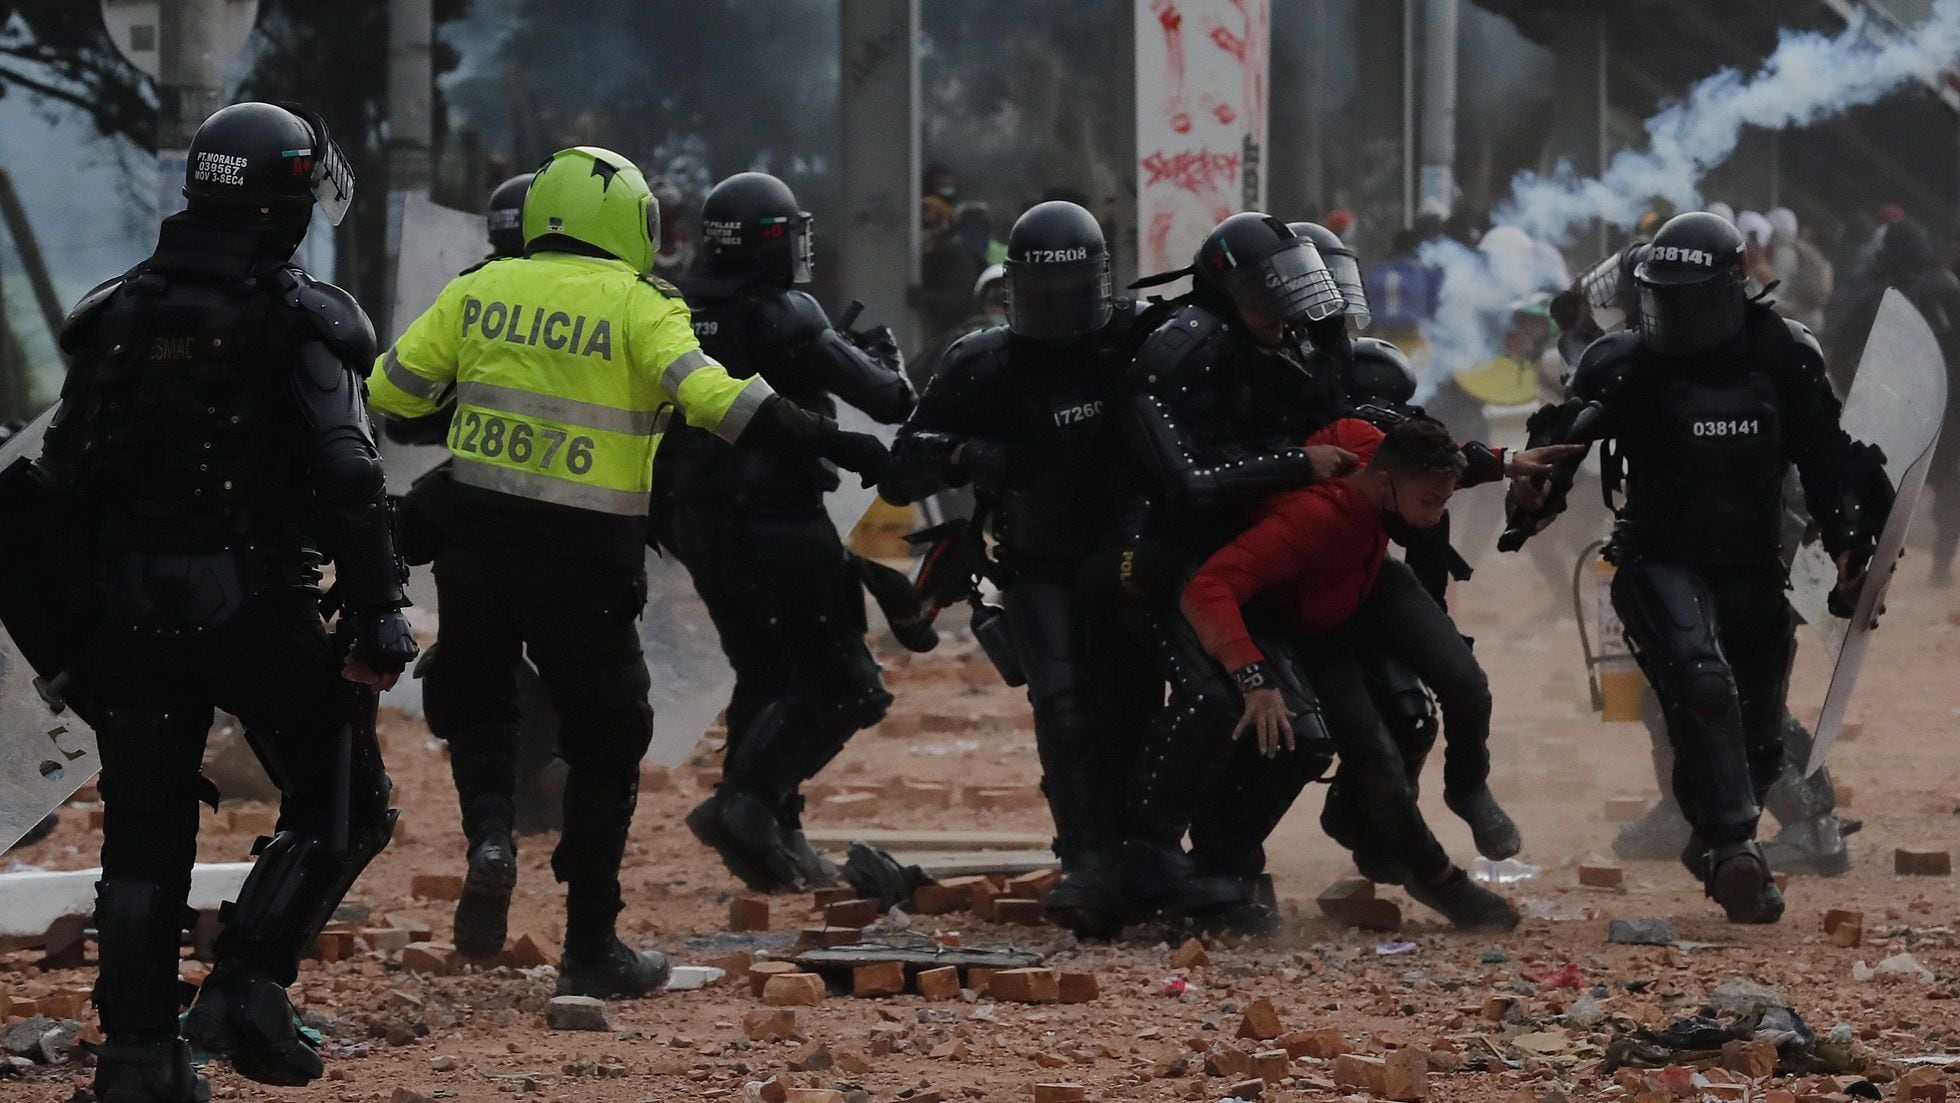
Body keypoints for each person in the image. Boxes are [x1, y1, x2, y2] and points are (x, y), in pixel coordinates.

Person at [367, 146, 889, 994]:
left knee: (479, 700)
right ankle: (590, 948)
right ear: (629, 222)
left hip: (472, 542)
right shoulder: (644, 304)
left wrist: (480, 401)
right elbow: (719, 401)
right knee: (607, 740)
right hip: (581, 558)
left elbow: (392, 394)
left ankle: (492, 837)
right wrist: (835, 438)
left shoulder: (476, 289)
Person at [24, 101, 415, 1098]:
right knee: (346, 800)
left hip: (129, 620)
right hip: (254, 608)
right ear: (289, 199)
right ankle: (245, 982)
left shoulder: (114, 313)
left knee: (144, 834)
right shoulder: (302, 317)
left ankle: (137, 1058)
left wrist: (72, 647)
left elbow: (57, 481)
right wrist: (377, 610)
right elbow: (346, 469)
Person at [1505, 212, 1890, 923]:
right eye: (1659, 301)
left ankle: (1797, 818)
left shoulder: (1781, 351)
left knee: (1748, 711)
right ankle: (1714, 830)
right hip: (1662, 548)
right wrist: (1533, 493)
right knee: (1691, 680)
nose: (1671, 315)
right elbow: (1574, 420)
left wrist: (1850, 547)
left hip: (1770, 540)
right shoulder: (1628, 351)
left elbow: (1831, 460)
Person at [880, 200, 1153, 936]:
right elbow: (900, 469)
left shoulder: (1137, 338)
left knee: (1138, 704)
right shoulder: (983, 362)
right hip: (1035, 562)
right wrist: (967, 455)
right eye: (1045, 296)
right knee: (1063, 704)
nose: (1061, 314)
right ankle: (1087, 856)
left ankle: (1163, 852)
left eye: (1073, 295)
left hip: (1132, 557)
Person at [664, 171, 917, 894]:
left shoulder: (676, 309)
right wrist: (881, 350)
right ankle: (744, 804)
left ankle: (771, 832)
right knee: (847, 685)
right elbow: (888, 396)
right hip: (777, 520)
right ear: (771, 242)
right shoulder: (785, 313)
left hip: (698, 524)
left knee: (768, 673)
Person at [1180, 418, 1525, 930]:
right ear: (1385, 485)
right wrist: (1254, 678)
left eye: (1443, 503)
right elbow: (1207, 589)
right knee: (1379, 762)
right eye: (1430, 503)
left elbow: (1411, 449)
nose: (1435, 519)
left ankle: (1466, 787)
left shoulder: (1373, 450)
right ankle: (1438, 878)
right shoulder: (1310, 523)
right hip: (1311, 625)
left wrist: (1507, 463)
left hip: (1364, 574)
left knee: (1465, 680)